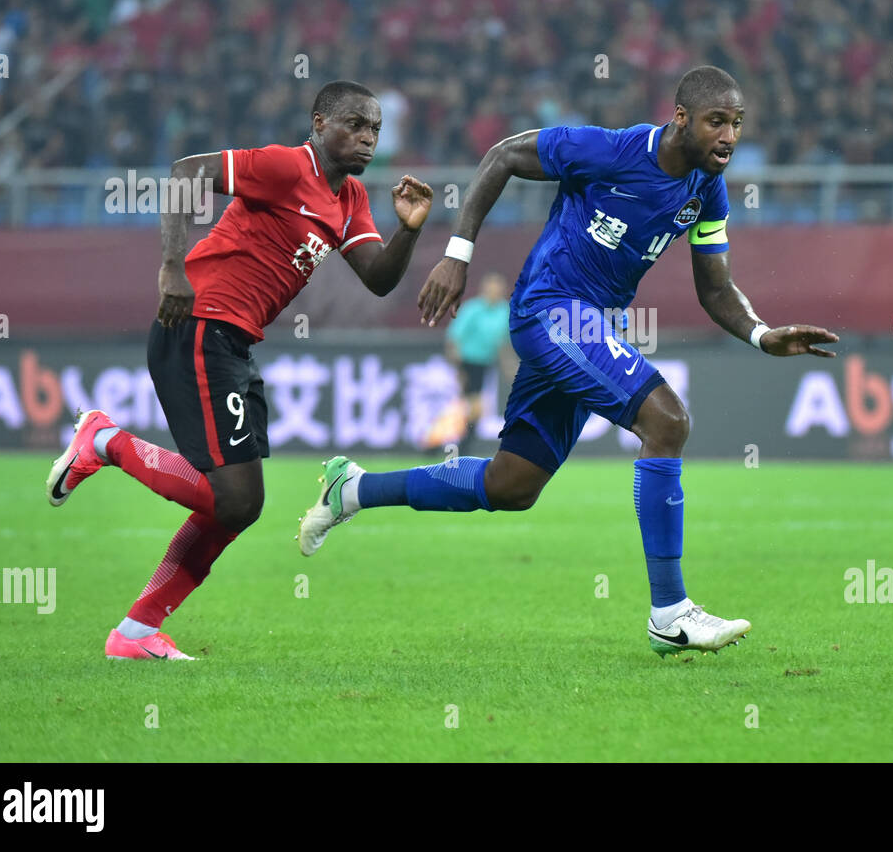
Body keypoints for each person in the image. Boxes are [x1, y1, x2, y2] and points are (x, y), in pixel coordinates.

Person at [298, 66, 838, 657]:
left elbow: (715, 288)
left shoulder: (707, 189)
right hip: (550, 309)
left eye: (736, 124)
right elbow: (504, 156)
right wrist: (458, 253)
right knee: (667, 421)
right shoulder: (608, 151)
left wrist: (761, 335)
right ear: (681, 118)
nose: (729, 136)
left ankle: (352, 490)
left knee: (513, 484)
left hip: (587, 327)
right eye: (717, 121)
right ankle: (670, 612)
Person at [45, 80, 433, 660]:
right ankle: (103, 441)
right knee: (230, 497)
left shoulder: (349, 198)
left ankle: (135, 633)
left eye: (374, 129)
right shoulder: (283, 168)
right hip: (198, 320)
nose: (366, 138)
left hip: (234, 341)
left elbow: (378, 278)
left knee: (240, 504)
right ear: (320, 122)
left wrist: (411, 228)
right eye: (354, 124)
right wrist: (172, 267)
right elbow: (185, 172)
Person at [441, 272, 512, 454]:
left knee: (473, 409)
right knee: (475, 408)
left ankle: (458, 446)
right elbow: (454, 339)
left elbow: (502, 343)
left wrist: (508, 367)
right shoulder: (473, 309)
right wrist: (459, 370)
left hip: (485, 364)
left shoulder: (504, 311)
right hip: (468, 362)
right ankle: (460, 446)